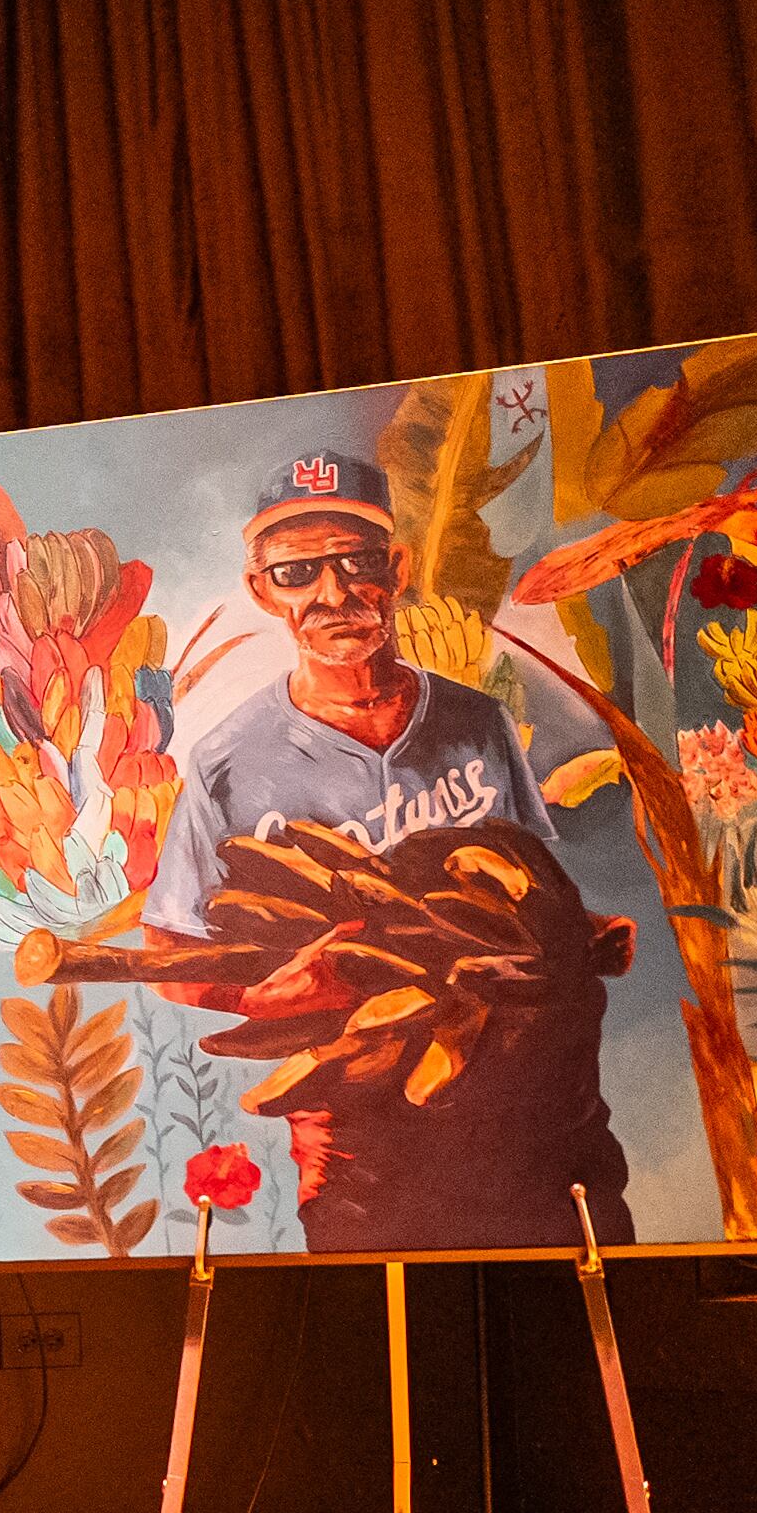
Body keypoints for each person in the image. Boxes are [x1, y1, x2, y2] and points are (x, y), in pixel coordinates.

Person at [146, 451, 632, 1250]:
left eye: (356, 561)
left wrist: (582, 936)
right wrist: (261, 995)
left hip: (537, 1109)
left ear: (395, 568)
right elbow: (170, 952)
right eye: (297, 571)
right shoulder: (226, 762)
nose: (332, 592)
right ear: (261, 590)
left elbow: (531, 889)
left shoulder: (476, 722)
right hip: (359, 1142)